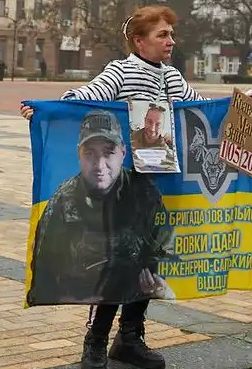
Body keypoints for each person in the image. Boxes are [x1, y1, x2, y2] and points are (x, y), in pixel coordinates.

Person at [20, 4, 252, 369]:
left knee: (149, 258)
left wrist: (244, 106)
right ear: (139, 40)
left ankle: (130, 337)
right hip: (120, 186)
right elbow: (88, 96)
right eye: (162, 35)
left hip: (152, 183)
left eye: (171, 35)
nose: (171, 42)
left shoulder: (170, 76)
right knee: (118, 260)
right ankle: (96, 340)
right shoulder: (122, 70)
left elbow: (201, 107)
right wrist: (45, 110)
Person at [28, 110, 176, 306]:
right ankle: (97, 335)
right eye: (90, 153)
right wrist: (40, 112)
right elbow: (42, 273)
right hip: (85, 294)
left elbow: (168, 251)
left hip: (136, 292)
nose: (99, 165)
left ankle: (130, 332)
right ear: (78, 155)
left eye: (108, 152)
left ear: (123, 152)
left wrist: (159, 282)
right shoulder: (63, 200)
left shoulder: (144, 192)